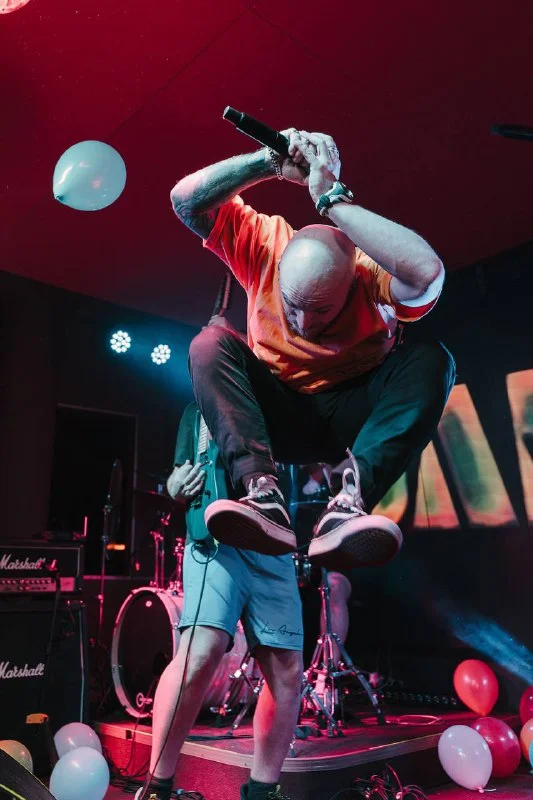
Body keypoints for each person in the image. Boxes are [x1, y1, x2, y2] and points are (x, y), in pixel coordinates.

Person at [170, 127, 455, 572]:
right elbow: (185, 202)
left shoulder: (371, 273)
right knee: (208, 344)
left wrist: (332, 200)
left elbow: (428, 273)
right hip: (279, 416)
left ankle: (350, 501)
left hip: (351, 420)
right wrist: (266, 162)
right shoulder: (264, 246)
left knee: (432, 359)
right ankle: (262, 494)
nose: (303, 323)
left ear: (352, 284)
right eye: (292, 305)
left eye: (321, 310)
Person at [137, 400, 304, 800]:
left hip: (271, 541)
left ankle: (263, 791)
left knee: (287, 670)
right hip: (214, 536)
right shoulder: (197, 408)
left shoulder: (280, 395)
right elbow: (181, 471)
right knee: (200, 652)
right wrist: (174, 485)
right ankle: (157, 787)